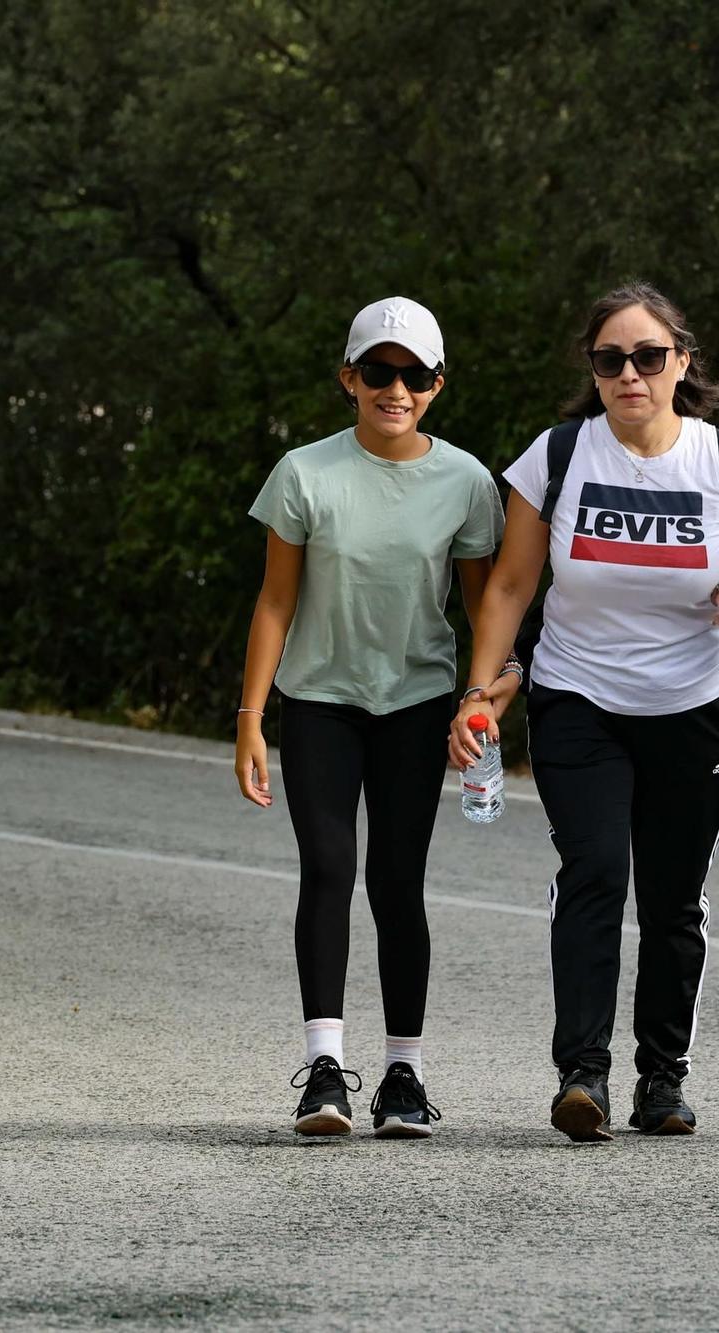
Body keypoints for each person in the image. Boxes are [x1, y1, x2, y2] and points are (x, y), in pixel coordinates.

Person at [450, 283, 719, 1142]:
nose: (631, 373)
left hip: (695, 707)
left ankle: (663, 1076)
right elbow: (510, 583)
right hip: (580, 699)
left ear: (682, 363)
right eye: (611, 358)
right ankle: (583, 1074)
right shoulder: (560, 454)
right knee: (595, 871)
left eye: (649, 356)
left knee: (673, 896)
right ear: (594, 370)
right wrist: (479, 688)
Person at [236, 296, 504, 1138]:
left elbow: (485, 612)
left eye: (415, 375)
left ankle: (404, 1076)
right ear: (349, 378)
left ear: (436, 386)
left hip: (416, 706)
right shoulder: (305, 473)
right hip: (319, 700)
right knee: (326, 867)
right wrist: (251, 715)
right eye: (380, 372)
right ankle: (324, 1072)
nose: (397, 389)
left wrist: (481, 702)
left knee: (396, 883)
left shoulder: (465, 481)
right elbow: (276, 601)